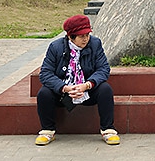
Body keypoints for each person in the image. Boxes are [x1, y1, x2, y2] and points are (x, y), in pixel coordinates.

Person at [35, 14, 120, 146]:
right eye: (81, 36)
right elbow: (45, 73)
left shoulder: (95, 44)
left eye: (87, 35)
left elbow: (103, 69)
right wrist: (64, 87)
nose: (85, 39)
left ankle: (108, 130)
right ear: (70, 36)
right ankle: (47, 131)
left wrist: (87, 85)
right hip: (64, 92)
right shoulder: (55, 47)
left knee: (105, 89)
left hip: (87, 89)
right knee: (44, 93)